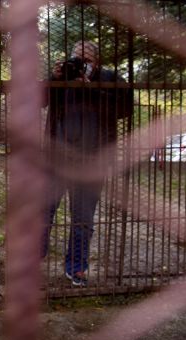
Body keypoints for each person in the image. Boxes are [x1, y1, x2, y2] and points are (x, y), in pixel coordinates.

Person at [42, 40, 133, 287]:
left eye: (87, 60)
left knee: (82, 218)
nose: (81, 64)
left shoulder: (110, 78)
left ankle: (77, 268)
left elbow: (125, 109)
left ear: (97, 61)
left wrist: (90, 87)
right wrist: (55, 77)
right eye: (77, 58)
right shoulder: (63, 77)